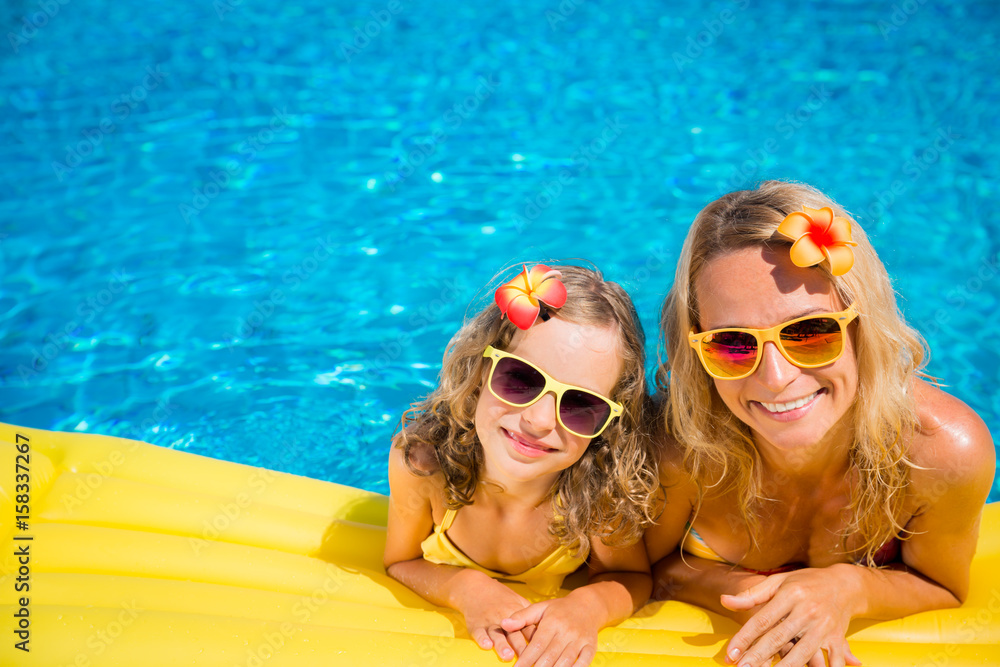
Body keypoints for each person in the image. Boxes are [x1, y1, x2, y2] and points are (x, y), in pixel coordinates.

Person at [645, 181, 995, 667]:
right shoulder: (681, 448)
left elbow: (941, 585)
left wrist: (847, 588)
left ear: (862, 327)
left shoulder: (940, 453)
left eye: (809, 333)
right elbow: (644, 569)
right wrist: (761, 596)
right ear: (696, 348)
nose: (775, 377)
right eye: (733, 343)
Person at [384, 263, 660, 666]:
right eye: (521, 379)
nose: (539, 421)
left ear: (608, 424)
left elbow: (632, 578)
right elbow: (400, 561)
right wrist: (466, 588)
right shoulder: (425, 464)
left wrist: (586, 608)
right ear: (479, 370)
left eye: (581, 404)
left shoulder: (598, 488)